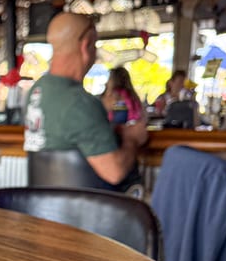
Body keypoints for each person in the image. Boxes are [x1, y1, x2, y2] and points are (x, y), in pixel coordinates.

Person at [23, 12, 148, 192]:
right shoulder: (80, 103)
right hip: (90, 205)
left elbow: (68, 133)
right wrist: (131, 139)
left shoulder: (37, 91)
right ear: (86, 45)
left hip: (42, 201)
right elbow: (115, 172)